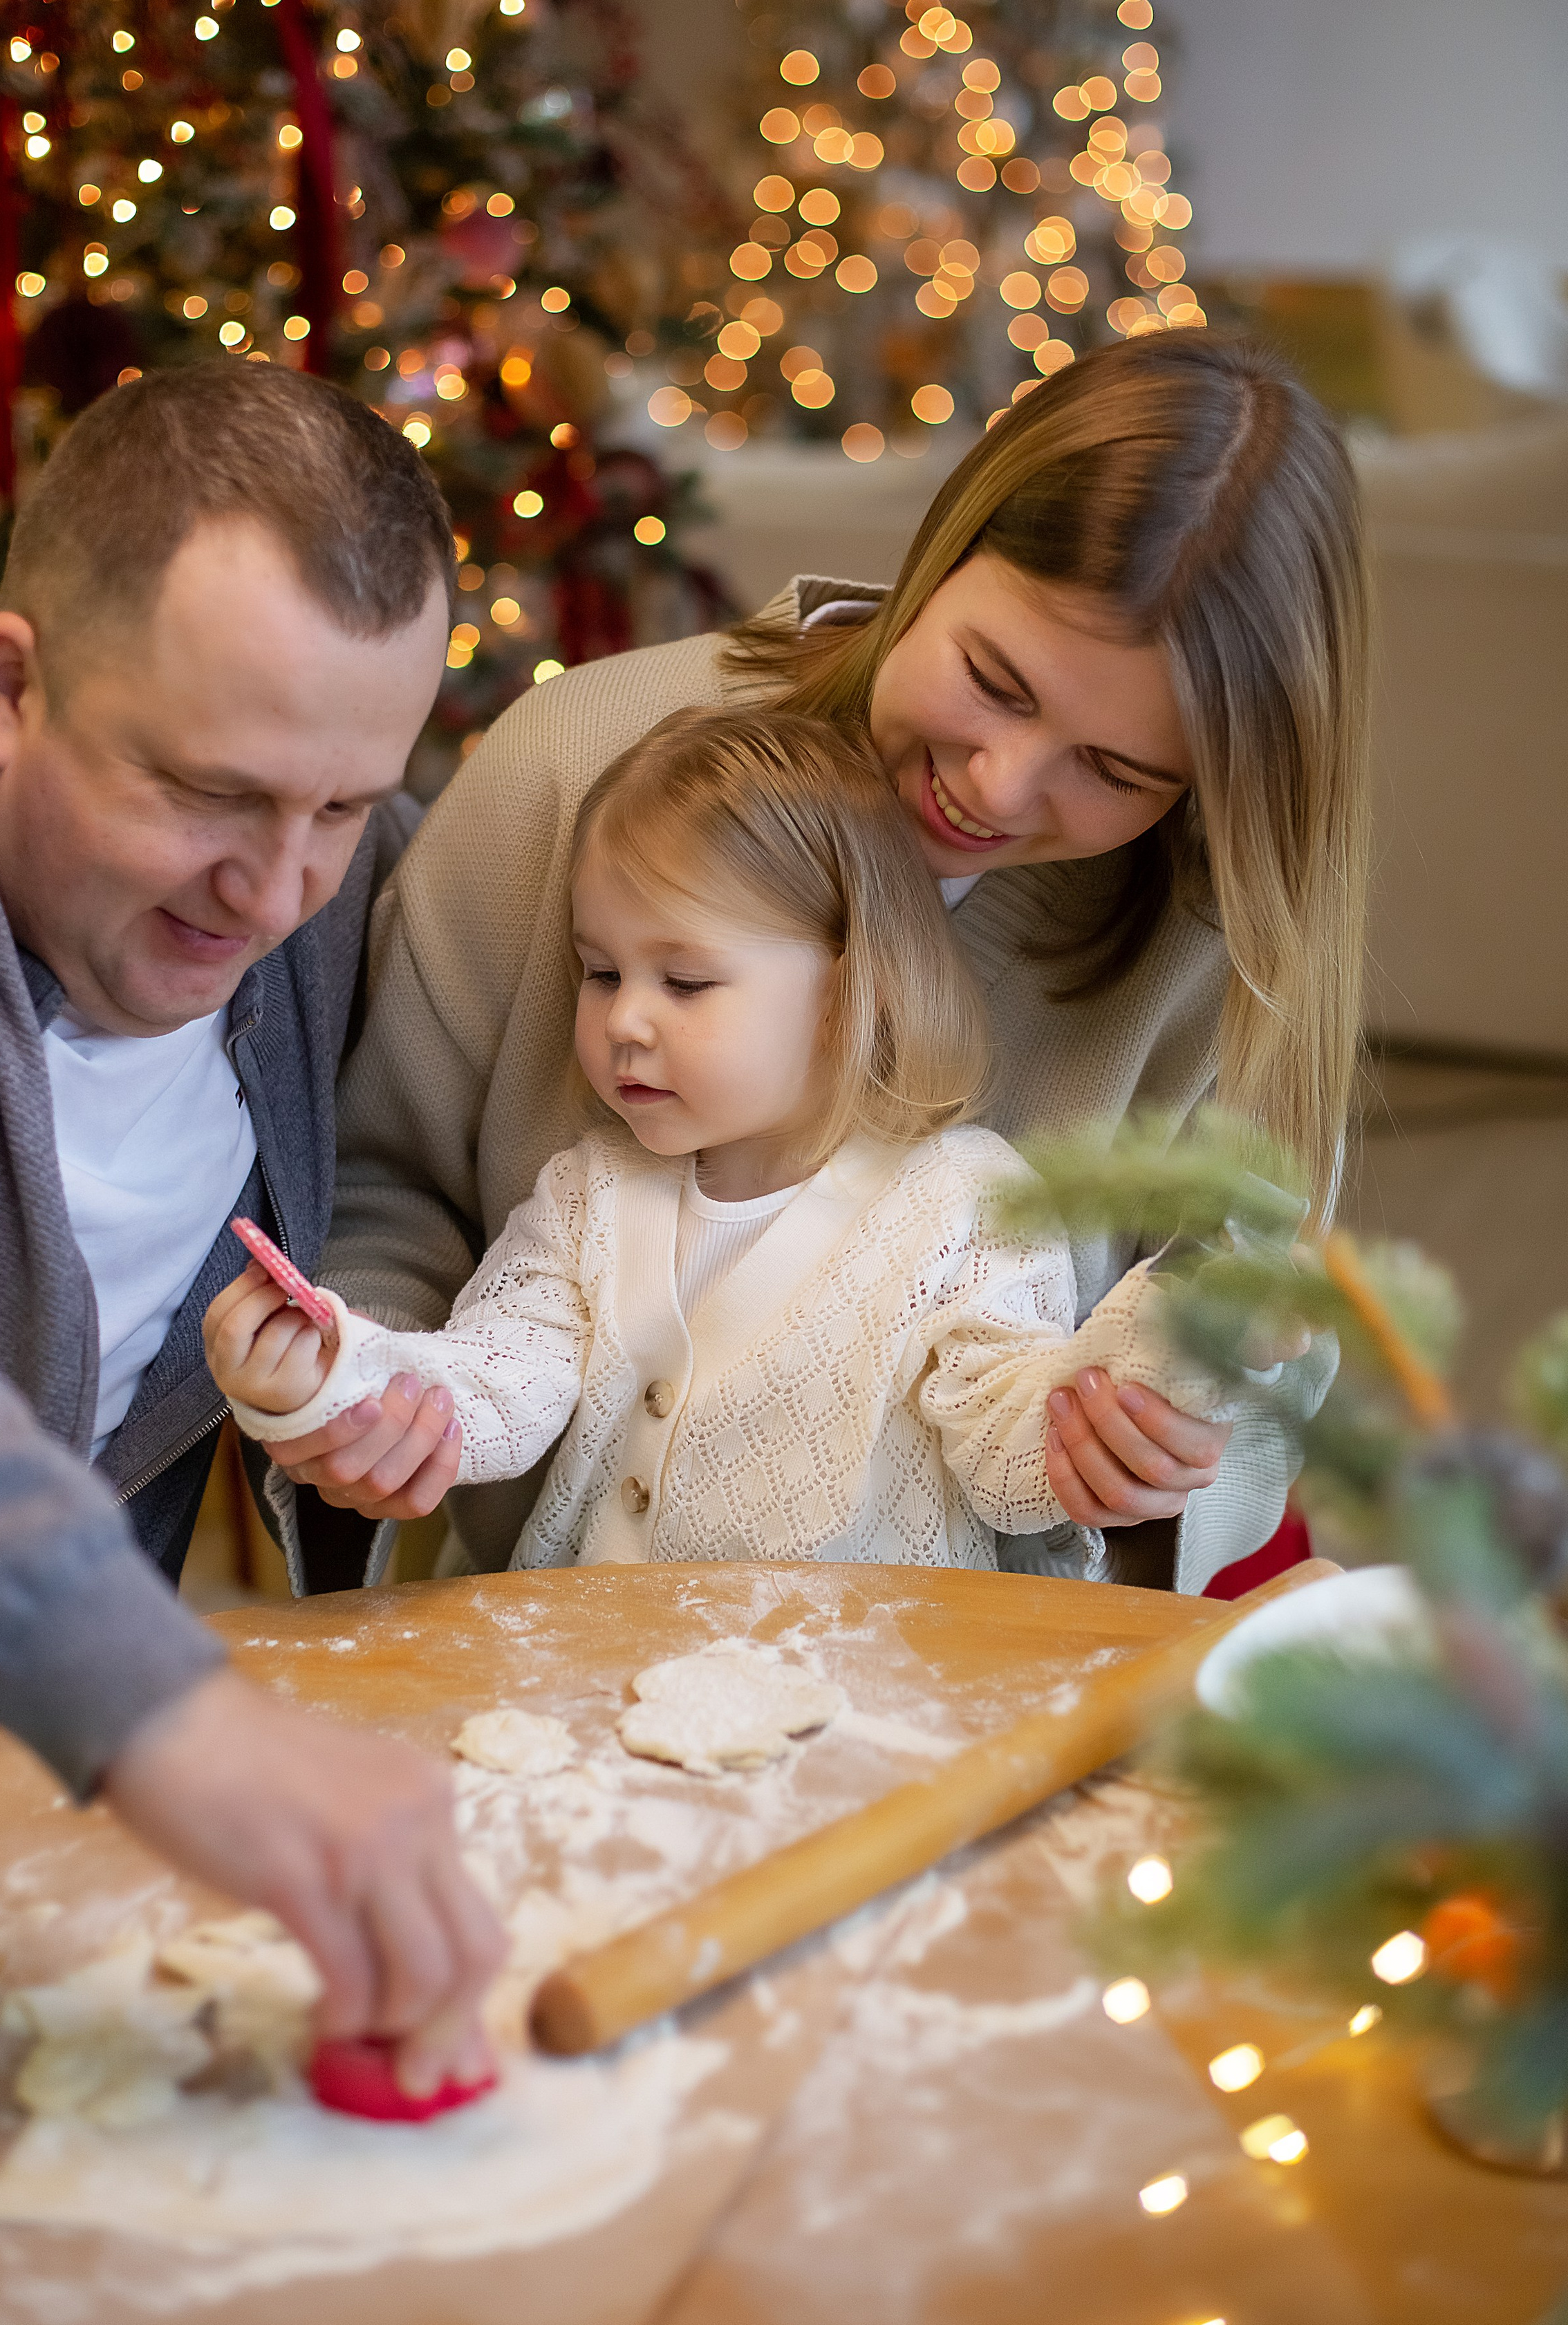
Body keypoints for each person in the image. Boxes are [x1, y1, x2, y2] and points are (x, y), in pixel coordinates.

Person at [276, 334, 1368, 1594]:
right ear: (940, 556)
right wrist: (377, 1394)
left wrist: (1163, 1445)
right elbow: (387, 1183)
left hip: (970, 1670)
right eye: (993, 681)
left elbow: (1246, 1333)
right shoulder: (579, 762)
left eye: (1116, 771)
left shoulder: (1218, 956)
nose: (998, 787)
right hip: (550, 1629)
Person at [0, 359, 494, 2081]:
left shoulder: (336, 891)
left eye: (339, 806)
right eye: (208, 792)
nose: (275, 894)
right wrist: (158, 1705)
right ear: (6, 690)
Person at [208, 711, 1226, 1575]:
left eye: (685, 982)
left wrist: (1147, 1369)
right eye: (601, 973)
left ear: (847, 996)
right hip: (597, 1686)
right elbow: (495, 1384)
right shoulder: (588, 1198)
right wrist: (337, 1382)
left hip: (864, 1707)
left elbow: (1008, 1448)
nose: (625, 1021)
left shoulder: (965, 1204)